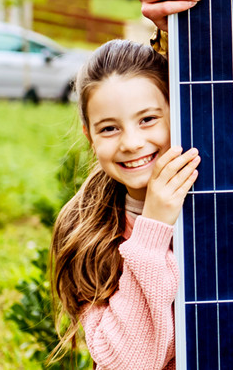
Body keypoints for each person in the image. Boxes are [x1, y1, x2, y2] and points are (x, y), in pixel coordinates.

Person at [49, 40, 199, 370]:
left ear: (177, 113)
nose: (131, 143)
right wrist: (153, 228)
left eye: (148, 119)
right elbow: (127, 362)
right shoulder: (85, 232)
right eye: (109, 128)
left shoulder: (225, 203)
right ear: (90, 136)